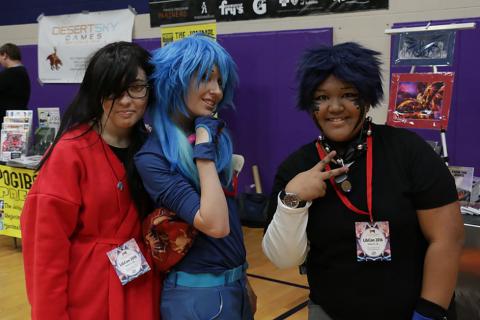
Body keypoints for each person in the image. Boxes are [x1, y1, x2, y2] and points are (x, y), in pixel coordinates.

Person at [262, 42, 464, 320]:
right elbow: (284, 260)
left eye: (348, 94)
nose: (334, 107)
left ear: (367, 99)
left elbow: (447, 238)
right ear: (310, 104)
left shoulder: (408, 151)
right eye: (321, 97)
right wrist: (292, 200)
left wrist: (429, 311)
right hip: (330, 311)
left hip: (413, 311)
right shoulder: (296, 167)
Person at [20, 42, 161, 320]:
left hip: (142, 290)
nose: (125, 100)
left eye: (136, 88)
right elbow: (45, 252)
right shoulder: (69, 152)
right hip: (88, 297)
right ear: (96, 92)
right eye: (113, 90)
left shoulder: (153, 148)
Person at [135, 34, 255, 320]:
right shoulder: (153, 157)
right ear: (174, 80)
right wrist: (204, 152)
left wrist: (243, 278)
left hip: (233, 286)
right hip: (198, 298)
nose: (216, 91)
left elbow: (230, 228)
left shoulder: (208, 137)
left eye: (220, 82)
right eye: (205, 78)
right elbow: (214, 224)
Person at [0, 43, 31, 117]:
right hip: (20, 118)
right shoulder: (23, 72)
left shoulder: (7, 75)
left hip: (6, 122)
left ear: (5, 55)